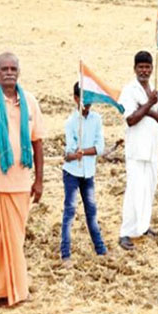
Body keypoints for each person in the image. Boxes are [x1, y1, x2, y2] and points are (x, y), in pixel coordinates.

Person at [0, 52, 45, 307]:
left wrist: (39, 181)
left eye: (13, 68)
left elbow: (37, 144)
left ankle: (14, 292)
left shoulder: (30, 102)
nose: (9, 72)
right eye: (5, 68)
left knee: (15, 239)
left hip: (21, 184)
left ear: (19, 72)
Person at [117, 51, 158, 250]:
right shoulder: (129, 91)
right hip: (136, 150)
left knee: (149, 189)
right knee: (134, 191)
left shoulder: (156, 91)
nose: (144, 71)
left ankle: (144, 226)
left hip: (152, 150)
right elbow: (131, 119)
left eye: (147, 67)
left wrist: (146, 108)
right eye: (141, 67)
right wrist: (149, 105)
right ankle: (125, 233)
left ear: (152, 68)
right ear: (135, 68)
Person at [61, 82, 107, 263]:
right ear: (75, 99)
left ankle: (100, 249)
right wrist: (74, 155)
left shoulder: (96, 119)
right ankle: (65, 253)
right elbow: (70, 153)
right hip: (72, 173)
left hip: (88, 173)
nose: (86, 103)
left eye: (89, 99)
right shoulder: (71, 122)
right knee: (70, 211)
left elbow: (100, 147)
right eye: (83, 99)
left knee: (91, 210)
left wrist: (83, 152)